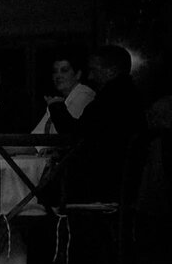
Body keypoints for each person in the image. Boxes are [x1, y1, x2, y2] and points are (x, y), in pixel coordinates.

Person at [47, 44, 146, 202]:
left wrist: (56, 107)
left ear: (111, 70)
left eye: (94, 70)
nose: (91, 76)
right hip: (122, 182)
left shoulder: (109, 100)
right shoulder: (132, 95)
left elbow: (75, 135)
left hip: (101, 182)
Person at [31, 52, 95, 134]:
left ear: (78, 74)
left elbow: (64, 133)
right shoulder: (59, 99)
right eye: (55, 71)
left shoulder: (84, 94)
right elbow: (37, 134)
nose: (58, 76)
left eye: (64, 71)